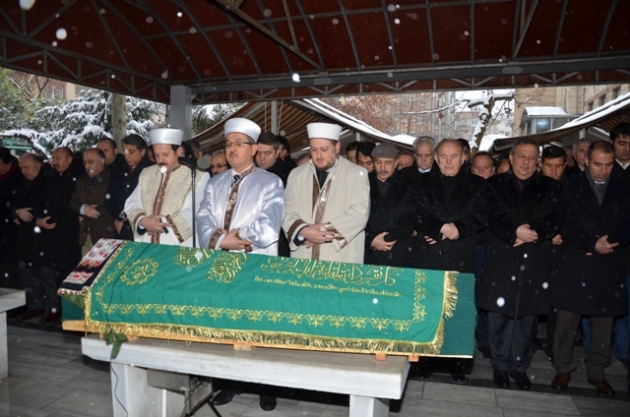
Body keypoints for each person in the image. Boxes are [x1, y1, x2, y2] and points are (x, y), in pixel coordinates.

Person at [197, 118, 283, 411]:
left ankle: (266, 387)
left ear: (254, 148)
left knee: (258, 325)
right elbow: (203, 218)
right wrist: (221, 241)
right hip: (222, 266)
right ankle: (230, 382)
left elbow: (269, 226)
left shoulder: (270, 182)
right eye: (228, 144)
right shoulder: (215, 183)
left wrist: (238, 237)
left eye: (239, 144)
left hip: (255, 266)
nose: (232, 149)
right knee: (227, 323)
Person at [477, 138, 564, 391]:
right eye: (521, 157)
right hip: (502, 258)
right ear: (512, 158)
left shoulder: (550, 187)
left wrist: (534, 231)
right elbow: (491, 214)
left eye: (531, 158)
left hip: (535, 260)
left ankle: (520, 367)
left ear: (537, 162)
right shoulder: (493, 185)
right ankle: (500, 366)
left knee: (527, 319)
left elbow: (558, 216)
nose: (526, 162)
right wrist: (514, 231)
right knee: (499, 317)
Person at [551, 141, 630, 396]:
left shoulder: (623, 187)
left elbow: (628, 223)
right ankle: (563, 367)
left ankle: (597, 370)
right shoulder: (569, 186)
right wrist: (590, 243)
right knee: (567, 319)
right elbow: (564, 222)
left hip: (609, 261)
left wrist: (608, 243)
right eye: (597, 164)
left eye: (608, 165)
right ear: (586, 161)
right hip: (577, 260)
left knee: (604, 321)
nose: (603, 170)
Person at [411, 139, 488, 384]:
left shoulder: (478, 185)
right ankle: (426, 360)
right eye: (443, 156)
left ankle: (457, 362)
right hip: (428, 257)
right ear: (435, 158)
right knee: (428, 312)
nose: (448, 161)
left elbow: (481, 215)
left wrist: (458, 228)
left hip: (461, 257)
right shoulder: (421, 183)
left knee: (459, 314)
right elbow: (416, 212)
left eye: (454, 156)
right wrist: (441, 228)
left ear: (464, 158)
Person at [283, 122, 369, 264]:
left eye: (324, 149)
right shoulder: (296, 175)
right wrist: (303, 231)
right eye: (313, 149)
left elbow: (359, 213)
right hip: (303, 255)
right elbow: (287, 209)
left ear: (337, 147)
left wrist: (318, 233)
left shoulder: (356, 174)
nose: (318, 155)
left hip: (340, 257)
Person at [124, 129, 209, 247]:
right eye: (157, 155)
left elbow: (197, 210)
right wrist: (143, 221)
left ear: (179, 151)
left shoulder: (198, 176)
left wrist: (161, 225)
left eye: (165, 154)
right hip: (147, 244)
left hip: (180, 247)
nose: (160, 160)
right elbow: (133, 203)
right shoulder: (146, 173)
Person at [33, 147, 82, 325]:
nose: (55, 162)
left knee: (69, 274)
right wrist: (39, 219)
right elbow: (39, 201)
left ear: (69, 160)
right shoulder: (50, 178)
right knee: (52, 274)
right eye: (53, 158)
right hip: (50, 235)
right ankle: (56, 309)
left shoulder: (77, 178)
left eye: (59, 158)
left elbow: (72, 204)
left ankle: (71, 313)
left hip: (69, 235)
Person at [364, 143, 415, 267]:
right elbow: (355, 216)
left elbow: (411, 218)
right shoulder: (362, 183)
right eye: (378, 162)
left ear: (396, 163)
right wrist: (370, 239)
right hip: (368, 253)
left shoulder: (409, 184)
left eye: (387, 162)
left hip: (399, 253)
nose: (382, 167)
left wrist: (385, 240)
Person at [13, 153, 48, 320]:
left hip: (42, 235)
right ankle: (34, 305)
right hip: (25, 235)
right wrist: (15, 212)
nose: (23, 171)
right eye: (21, 168)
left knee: (44, 274)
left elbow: (46, 205)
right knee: (28, 273)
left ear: (38, 166)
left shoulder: (47, 181)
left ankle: (51, 308)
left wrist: (36, 218)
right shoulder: (21, 182)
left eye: (26, 167)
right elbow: (12, 200)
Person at [104, 134, 153, 240]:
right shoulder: (120, 168)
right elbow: (109, 196)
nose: (127, 156)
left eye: (131, 151)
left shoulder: (151, 170)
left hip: (141, 226)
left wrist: (124, 219)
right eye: (125, 151)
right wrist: (118, 217)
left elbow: (147, 202)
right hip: (120, 227)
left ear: (142, 152)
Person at [69, 149, 115, 255]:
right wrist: (84, 209)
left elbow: (115, 205)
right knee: (86, 266)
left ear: (102, 161)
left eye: (91, 162)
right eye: (84, 163)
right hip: (85, 236)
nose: (87, 166)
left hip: (106, 236)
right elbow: (72, 203)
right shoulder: (82, 180)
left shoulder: (112, 178)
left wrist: (90, 212)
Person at [0, 147, 23, 289]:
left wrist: (13, 212)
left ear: (7, 164)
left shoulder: (19, 177)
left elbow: (13, 202)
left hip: (11, 231)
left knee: (9, 270)